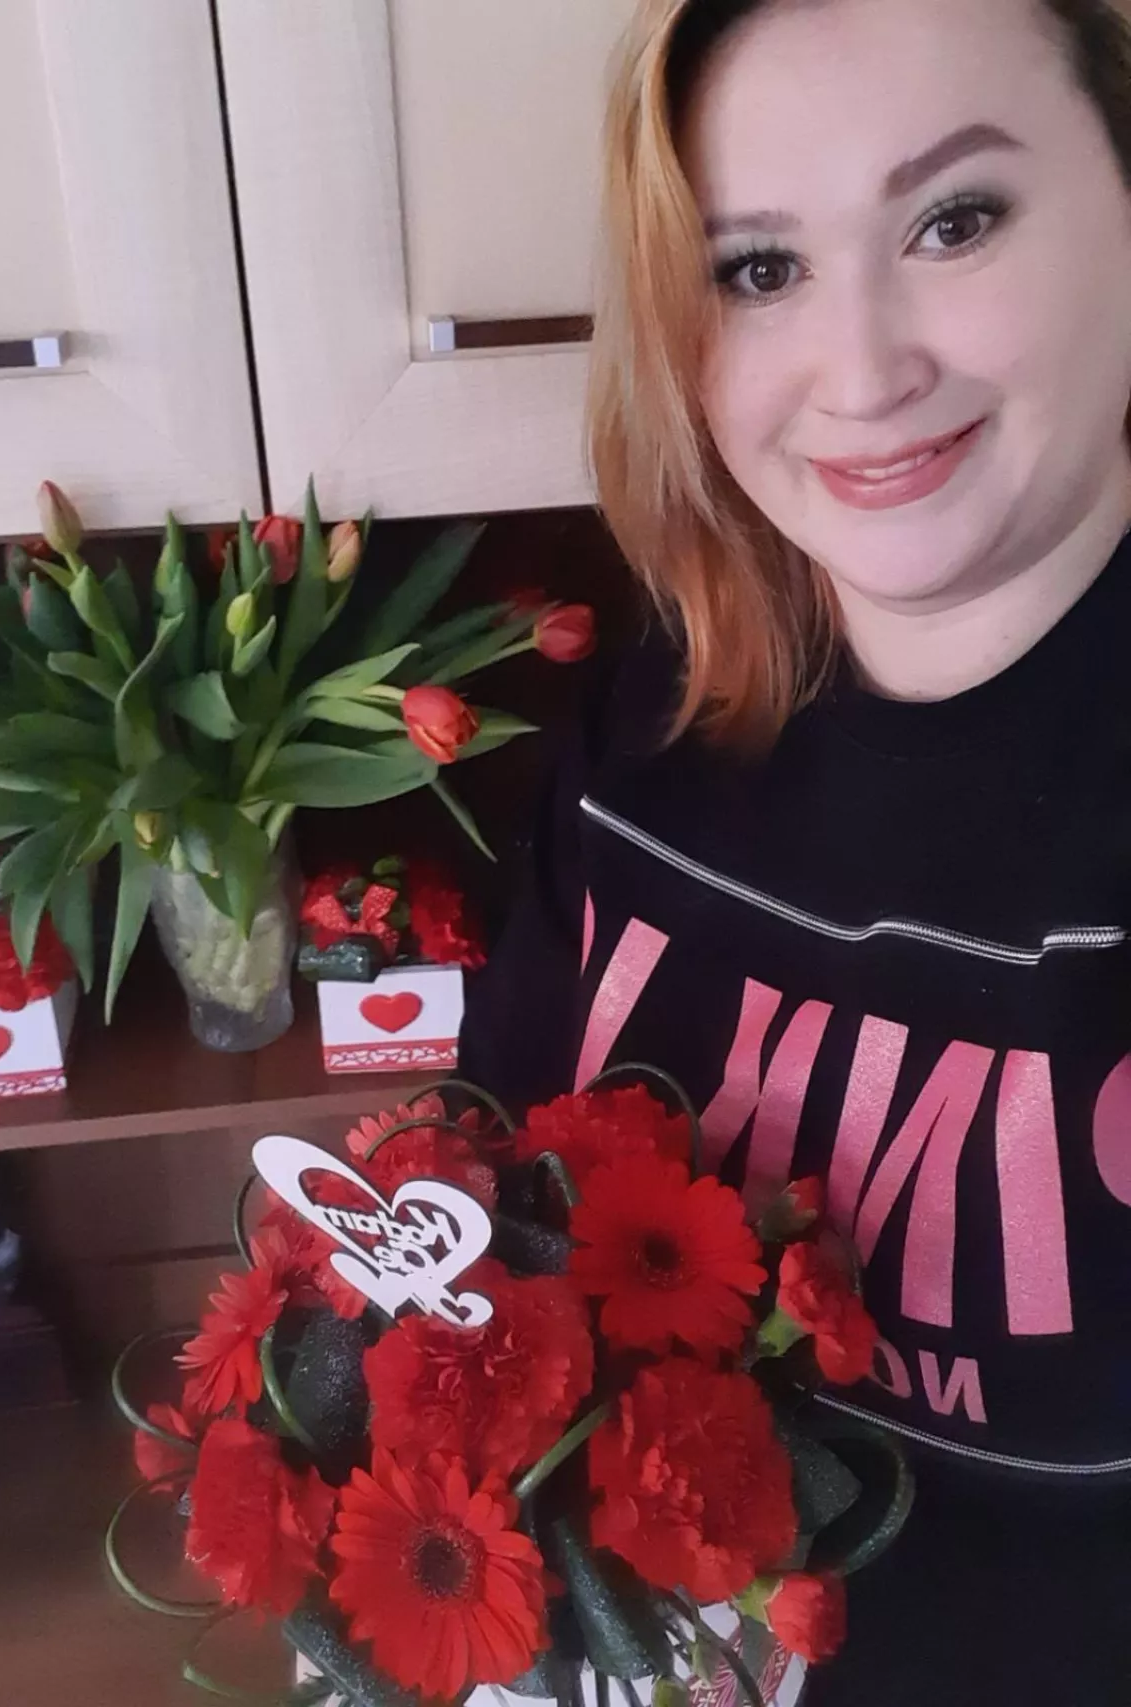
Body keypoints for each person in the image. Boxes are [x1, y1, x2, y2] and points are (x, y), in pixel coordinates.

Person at [460, 0, 1131, 1700]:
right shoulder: (643, 735)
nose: (864, 371)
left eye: (955, 220)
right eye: (758, 269)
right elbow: (494, 1239)